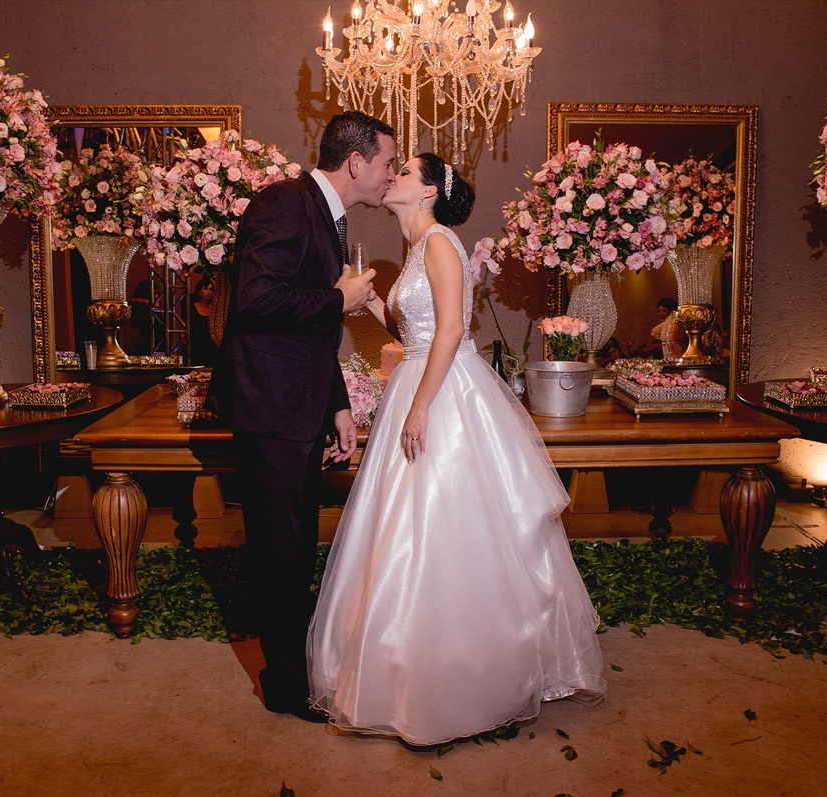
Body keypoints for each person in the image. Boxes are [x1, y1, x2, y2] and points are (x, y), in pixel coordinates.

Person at [307, 153, 606, 746]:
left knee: (447, 524)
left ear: (427, 194)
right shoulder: (418, 249)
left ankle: (464, 673)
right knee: (402, 530)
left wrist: (420, 406)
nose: (391, 176)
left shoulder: (442, 242)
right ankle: (408, 667)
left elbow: (449, 331)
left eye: (406, 171)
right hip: (418, 382)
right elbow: (412, 333)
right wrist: (367, 302)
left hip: (443, 395)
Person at [204, 111, 392, 722]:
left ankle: (296, 671)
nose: (389, 174)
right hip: (270, 406)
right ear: (356, 162)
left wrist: (336, 404)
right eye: (387, 163)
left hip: (300, 402)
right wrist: (344, 297)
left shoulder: (324, 213)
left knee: (292, 547)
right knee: (279, 550)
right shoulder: (284, 203)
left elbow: (309, 333)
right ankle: (284, 688)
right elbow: (256, 301)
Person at [187, 274, 219, 365]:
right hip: (196, 346)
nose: (208, 292)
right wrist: (188, 345)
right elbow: (184, 326)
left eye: (211, 289)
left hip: (211, 346)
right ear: (199, 291)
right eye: (205, 289)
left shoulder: (214, 309)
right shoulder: (192, 307)